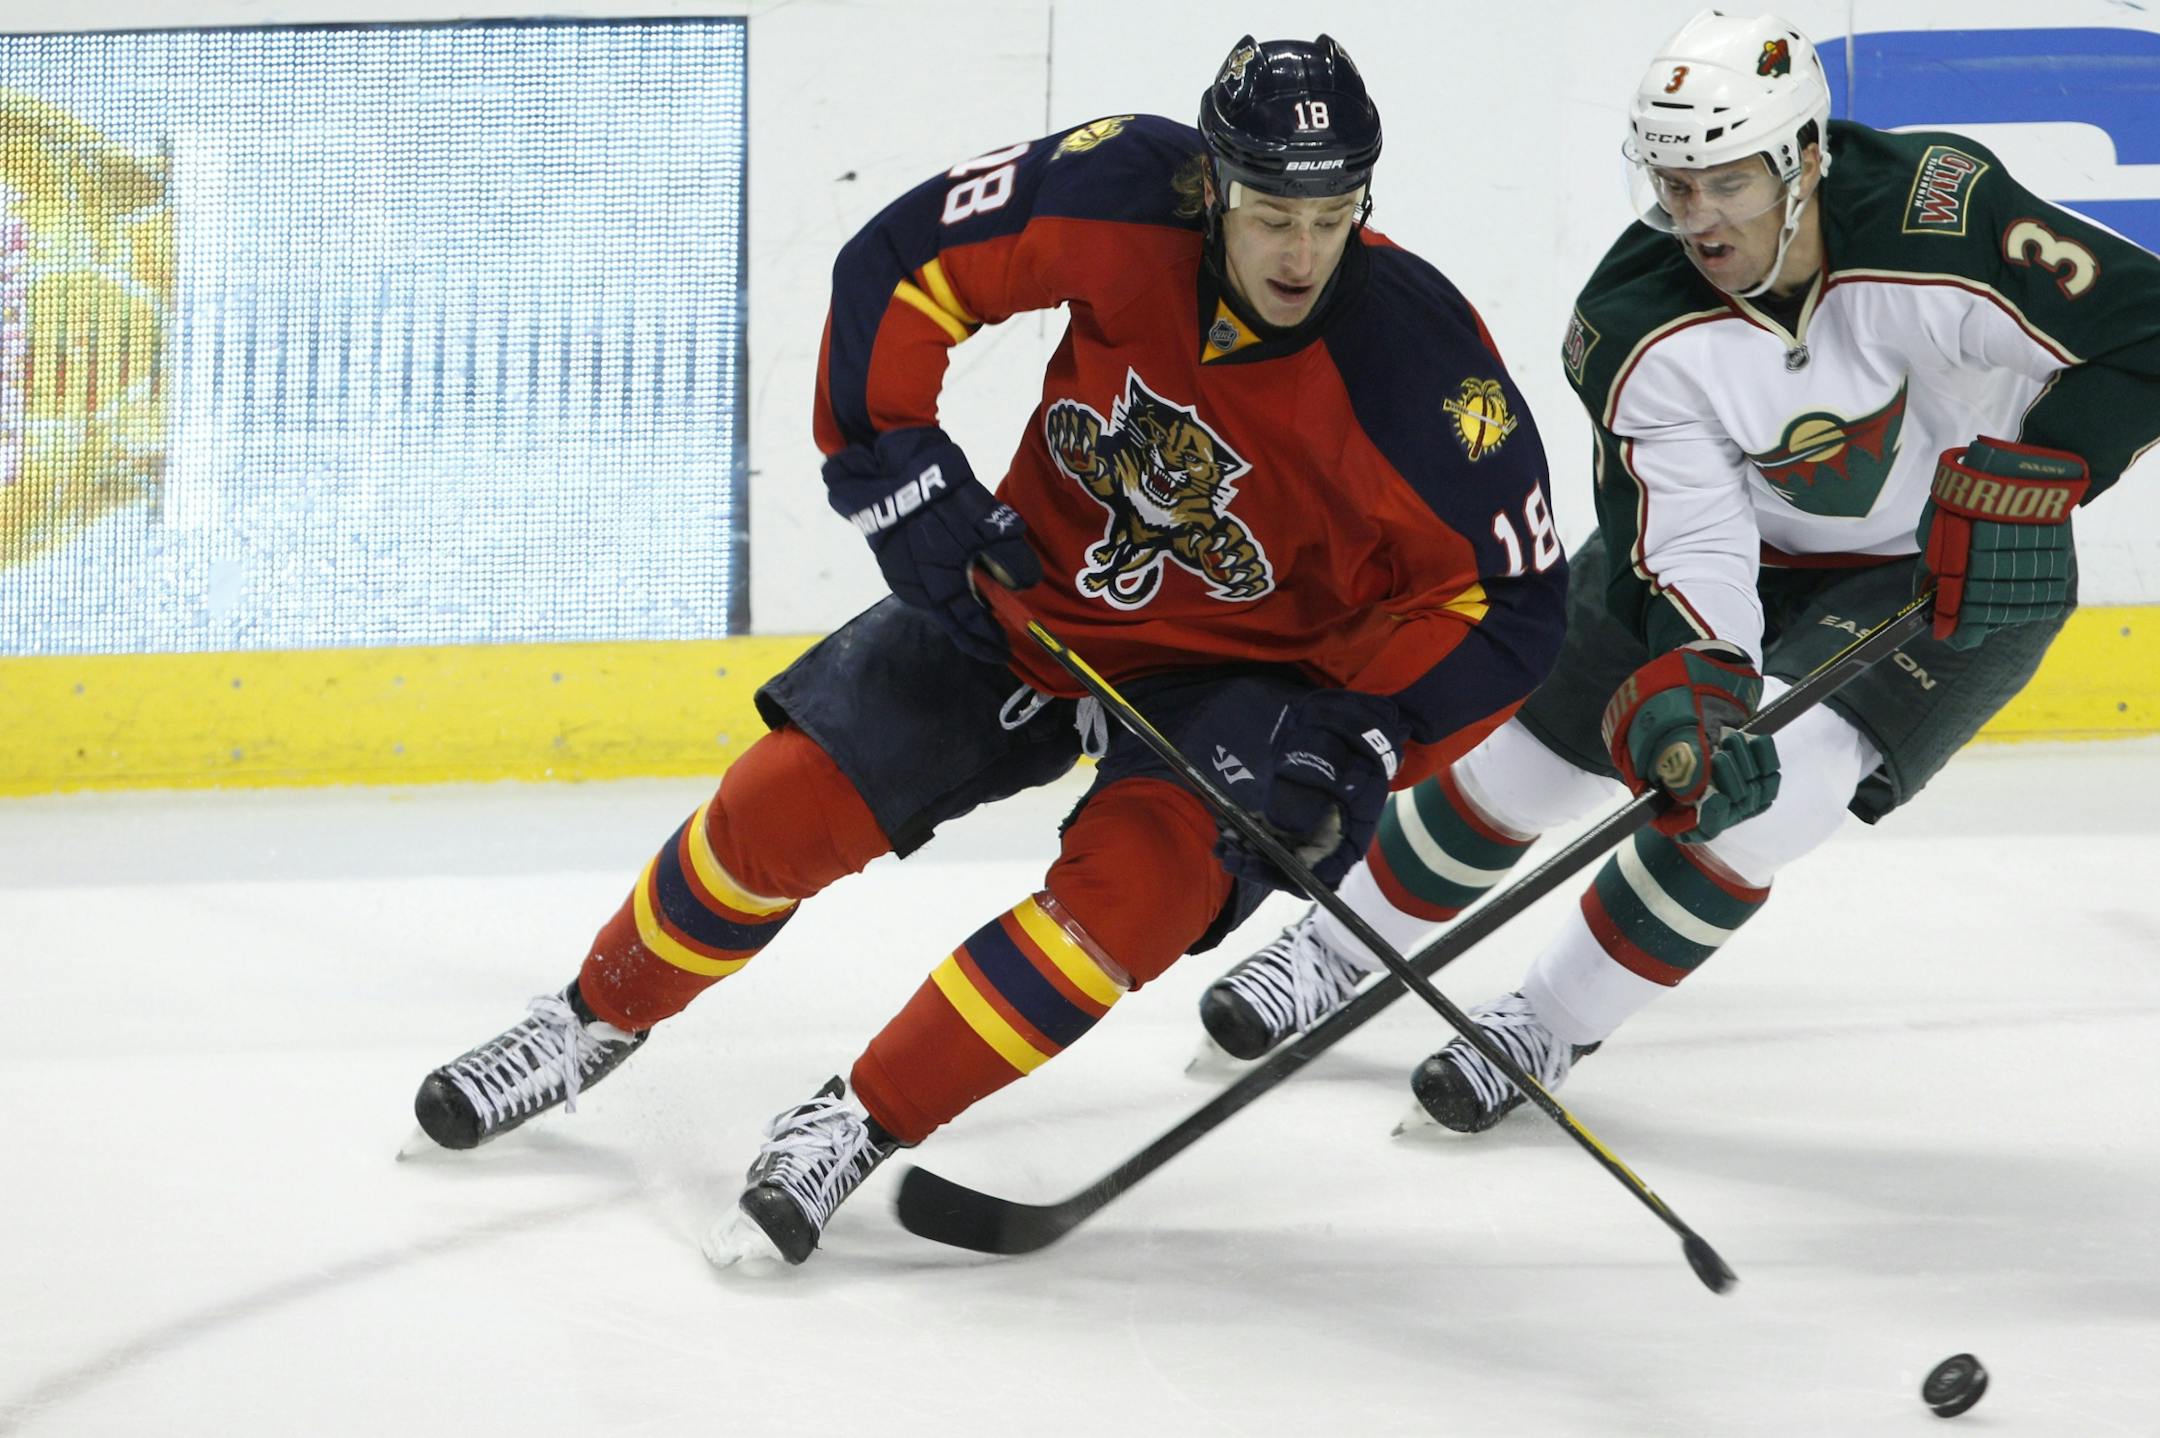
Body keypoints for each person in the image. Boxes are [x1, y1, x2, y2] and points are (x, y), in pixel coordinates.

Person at [408, 34, 1567, 1265]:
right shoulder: (1124, 185)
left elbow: (1512, 604)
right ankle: (591, 1021)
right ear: (1214, 184)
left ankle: (855, 1121)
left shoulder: (1425, 370)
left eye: (1331, 216)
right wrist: (894, 468)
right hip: (1036, 592)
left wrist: (1366, 734)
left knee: (1132, 899)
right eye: (1273, 212)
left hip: (1252, 676)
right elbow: (904, 265)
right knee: (783, 805)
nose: (1300, 252)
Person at [1198, 9, 2160, 1135]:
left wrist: (2041, 474)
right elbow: (1693, 534)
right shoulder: (1633, 321)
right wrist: (1699, 679)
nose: (1695, 216)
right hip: (1741, 542)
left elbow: (2144, 332)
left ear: (1804, 158)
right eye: (1674, 184)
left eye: (1725, 182)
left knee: (1762, 806)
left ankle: (1545, 1021)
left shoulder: (1940, 215)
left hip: (1950, 569)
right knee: (1534, 757)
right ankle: (1334, 944)